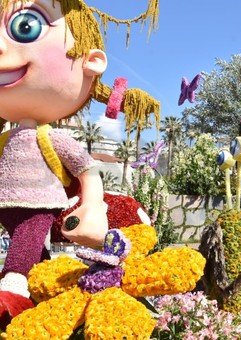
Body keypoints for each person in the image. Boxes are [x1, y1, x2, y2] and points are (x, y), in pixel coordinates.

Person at [0, 0, 160, 324]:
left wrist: (92, 205)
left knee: (25, 244)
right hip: (6, 203)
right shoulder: (6, 138)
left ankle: (13, 292)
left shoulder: (51, 137)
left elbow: (86, 169)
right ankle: (40, 291)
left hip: (39, 204)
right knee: (36, 255)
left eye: (25, 28)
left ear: (92, 62)